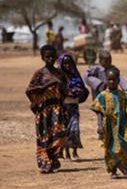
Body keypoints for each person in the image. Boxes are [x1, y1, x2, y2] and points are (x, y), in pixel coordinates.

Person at [26, 45, 67, 173]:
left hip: (57, 109)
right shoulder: (39, 74)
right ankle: (44, 162)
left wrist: (61, 87)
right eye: (47, 56)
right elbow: (30, 90)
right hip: (43, 110)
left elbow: (66, 91)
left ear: (56, 57)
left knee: (58, 135)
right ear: (42, 57)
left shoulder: (60, 74)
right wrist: (46, 86)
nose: (50, 59)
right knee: (44, 136)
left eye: (52, 56)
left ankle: (53, 160)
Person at [90, 68, 127, 178]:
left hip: (122, 126)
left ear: (118, 80)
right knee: (111, 148)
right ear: (105, 80)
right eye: (109, 79)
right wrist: (100, 125)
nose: (111, 82)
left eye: (114, 79)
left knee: (122, 146)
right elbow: (99, 111)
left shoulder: (123, 95)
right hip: (109, 127)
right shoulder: (103, 95)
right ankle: (120, 170)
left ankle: (118, 168)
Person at [86, 50, 127, 138]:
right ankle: (101, 129)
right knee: (100, 112)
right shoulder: (95, 69)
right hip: (99, 95)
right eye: (106, 60)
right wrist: (98, 84)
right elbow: (87, 77)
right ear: (100, 60)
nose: (108, 62)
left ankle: (112, 130)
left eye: (109, 60)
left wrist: (126, 88)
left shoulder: (113, 69)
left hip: (111, 96)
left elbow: (120, 79)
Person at [58, 53, 89, 160]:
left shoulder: (75, 75)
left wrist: (78, 92)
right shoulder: (59, 76)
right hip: (63, 107)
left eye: (69, 63)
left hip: (74, 106)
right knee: (65, 130)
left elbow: (83, 89)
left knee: (75, 129)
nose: (67, 65)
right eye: (65, 63)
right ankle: (66, 153)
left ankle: (75, 151)